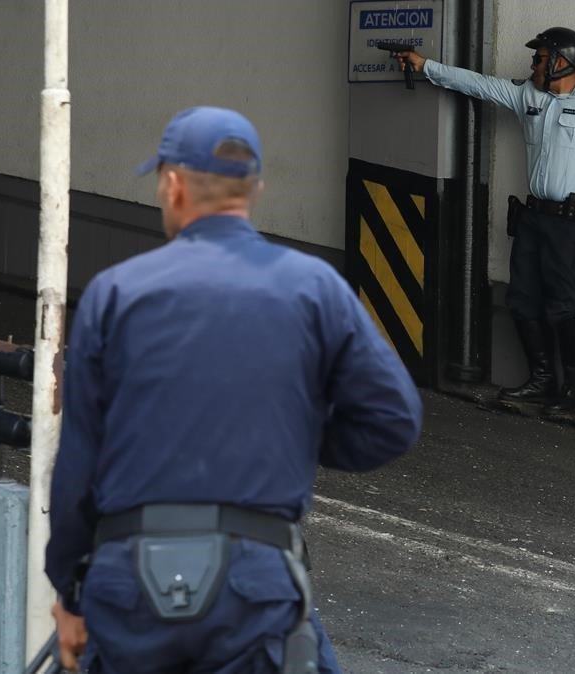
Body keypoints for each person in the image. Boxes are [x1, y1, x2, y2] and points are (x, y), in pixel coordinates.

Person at [44, 106, 423, 673]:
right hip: (254, 585)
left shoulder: (114, 295)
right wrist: (297, 433)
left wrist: (71, 594)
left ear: (172, 185)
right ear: (255, 188)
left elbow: (78, 463)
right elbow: (394, 418)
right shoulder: (315, 288)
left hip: (129, 589)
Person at [392, 27, 575, 415]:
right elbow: (478, 85)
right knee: (523, 299)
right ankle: (543, 381)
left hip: (574, 225)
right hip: (534, 219)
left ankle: (574, 392)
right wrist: (425, 65)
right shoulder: (528, 95)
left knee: (570, 306)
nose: (533, 63)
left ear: (563, 62)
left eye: (540, 57)